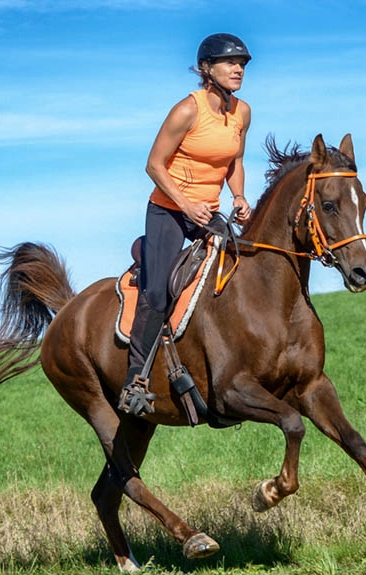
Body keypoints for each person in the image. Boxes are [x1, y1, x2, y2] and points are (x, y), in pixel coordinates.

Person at [119, 33, 253, 416]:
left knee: (238, 268)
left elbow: (235, 162)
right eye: (230, 62)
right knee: (157, 292)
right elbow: (154, 164)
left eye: (242, 63)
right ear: (207, 69)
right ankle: (136, 381)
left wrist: (239, 197)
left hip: (207, 210)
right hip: (168, 209)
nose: (238, 68)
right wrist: (185, 204)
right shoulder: (187, 110)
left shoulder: (241, 112)